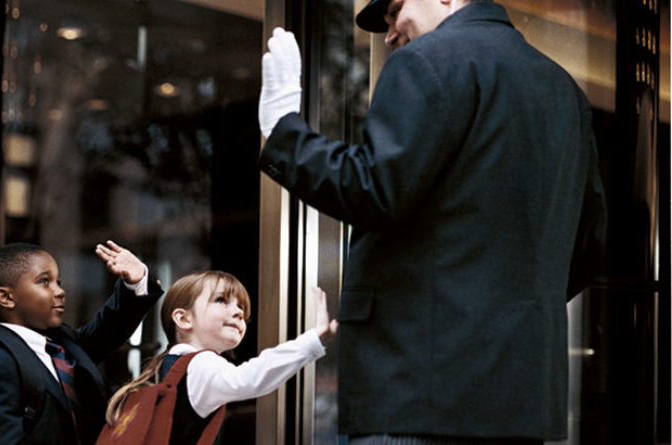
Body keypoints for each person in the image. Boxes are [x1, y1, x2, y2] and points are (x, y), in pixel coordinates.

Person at [256, 0, 606, 442]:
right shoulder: (565, 91)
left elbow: (373, 186)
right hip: (520, 406)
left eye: (395, 9)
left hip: (416, 395)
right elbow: (590, 244)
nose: (389, 33)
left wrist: (284, 129)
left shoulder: (427, 60)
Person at [0, 241, 163, 445]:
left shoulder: (61, 345)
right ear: (5, 297)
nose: (60, 291)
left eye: (58, 282)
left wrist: (135, 282)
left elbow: (108, 331)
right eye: (44, 281)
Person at [104, 271, 336, 444]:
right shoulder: (201, 364)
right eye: (221, 300)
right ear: (184, 319)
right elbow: (250, 378)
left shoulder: (162, 368)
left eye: (242, 309)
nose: (238, 312)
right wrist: (312, 342)